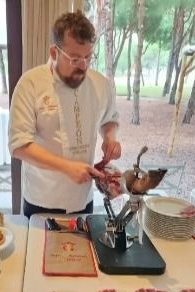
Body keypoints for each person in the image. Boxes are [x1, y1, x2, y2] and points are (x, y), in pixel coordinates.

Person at [9, 10, 121, 218]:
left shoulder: (100, 85)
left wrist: (110, 138)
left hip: (83, 200)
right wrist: (66, 167)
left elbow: (110, 119)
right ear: (54, 52)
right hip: (42, 200)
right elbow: (19, 146)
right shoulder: (30, 84)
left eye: (88, 57)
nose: (84, 67)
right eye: (75, 59)